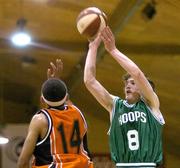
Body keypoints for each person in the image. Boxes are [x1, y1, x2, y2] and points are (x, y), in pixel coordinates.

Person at [84, 26, 165, 168]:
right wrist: (92, 48)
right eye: (126, 83)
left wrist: (113, 50)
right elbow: (89, 81)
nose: (128, 85)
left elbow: (137, 74)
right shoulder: (115, 105)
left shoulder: (152, 104)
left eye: (133, 83)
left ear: (144, 89)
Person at [17, 59, 93, 168]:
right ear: (66, 96)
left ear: (42, 100)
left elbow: (23, 162)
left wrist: (53, 83)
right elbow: (62, 101)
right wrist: (55, 83)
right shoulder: (77, 113)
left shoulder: (39, 120)